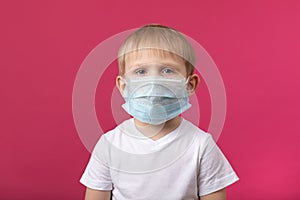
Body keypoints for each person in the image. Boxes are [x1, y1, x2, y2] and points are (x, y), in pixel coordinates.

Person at [80, 24, 239, 200]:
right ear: (123, 86)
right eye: (141, 71)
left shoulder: (201, 146)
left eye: (167, 70)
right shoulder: (109, 145)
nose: (154, 82)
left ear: (189, 85)